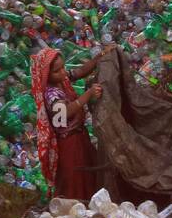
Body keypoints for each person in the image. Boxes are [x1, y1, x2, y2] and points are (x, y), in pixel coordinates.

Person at [31, 45, 113, 200]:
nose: (63, 72)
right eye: (57, 70)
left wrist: (100, 56)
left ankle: (91, 205)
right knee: (74, 181)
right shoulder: (51, 94)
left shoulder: (62, 80)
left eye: (63, 67)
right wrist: (87, 95)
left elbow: (79, 72)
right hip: (69, 144)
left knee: (88, 175)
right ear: (46, 75)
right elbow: (64, 113)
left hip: (80, 137)